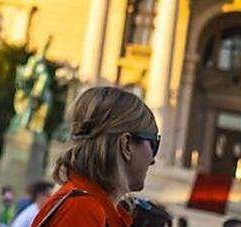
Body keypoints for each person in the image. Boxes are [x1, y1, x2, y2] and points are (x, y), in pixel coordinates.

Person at [31, 86, 158, 227]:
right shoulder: (82, 209)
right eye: (153, 144)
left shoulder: (91, 206)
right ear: (126, 145)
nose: (153, 160)